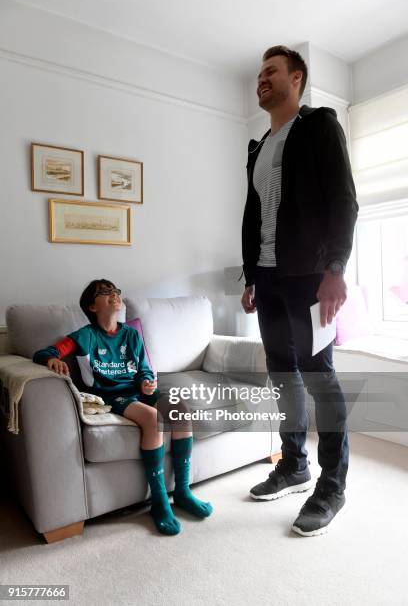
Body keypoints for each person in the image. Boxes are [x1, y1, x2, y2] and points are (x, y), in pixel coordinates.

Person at [241, 46, 358, 536]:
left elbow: (343, 201)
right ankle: (294, 464)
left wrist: (335, 268)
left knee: (319, 380)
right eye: (259, 73)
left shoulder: (318, 126)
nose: (261, 79)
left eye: (271, 71)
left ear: (297, 77)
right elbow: (257, 215)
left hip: (309, 277)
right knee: (282, 377)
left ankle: (332, 485)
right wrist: (251, 275)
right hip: (267, 280)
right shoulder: (258, 145)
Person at [33, 279, 212, 536]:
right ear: (92, 307)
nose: (114, 295)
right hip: (112, 396)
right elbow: (46, 351)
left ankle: (182, 492)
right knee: (152, 418)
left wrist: (147, 382)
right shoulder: (85, 336)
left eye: (115, 291)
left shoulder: (131, 334)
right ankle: (160, 502)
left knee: (180, 408)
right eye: (105, 293)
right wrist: (51, 359)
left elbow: (143, 369)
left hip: (138, 391)